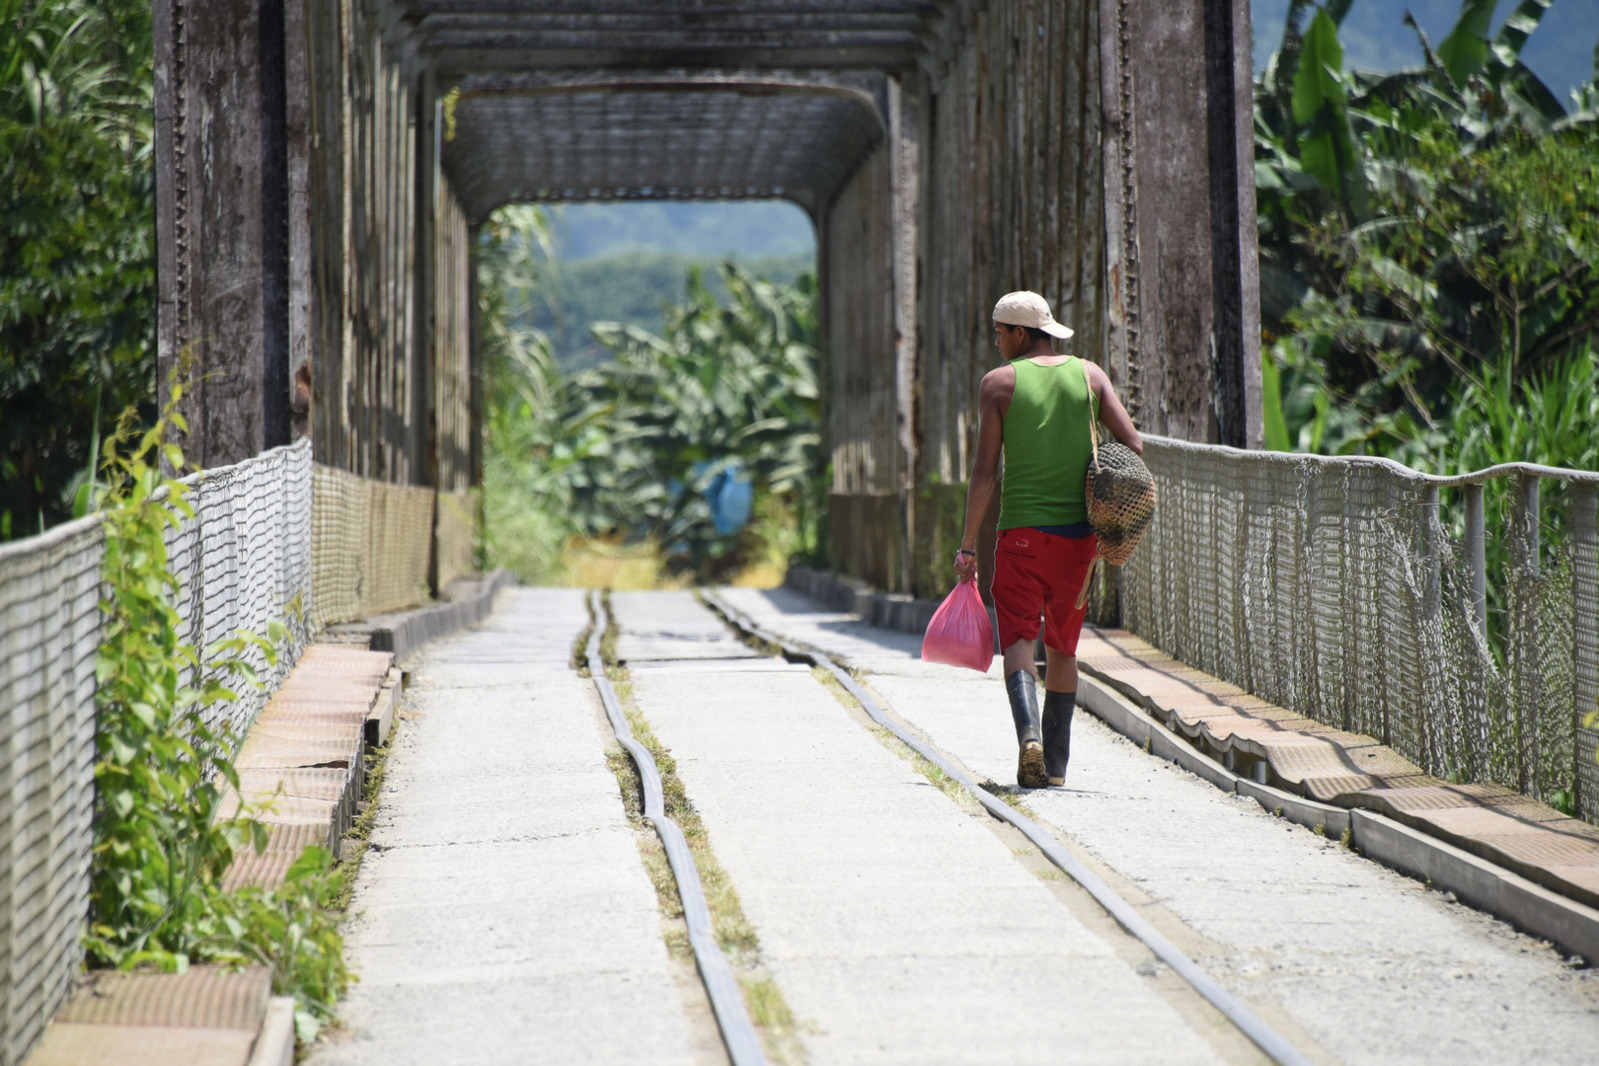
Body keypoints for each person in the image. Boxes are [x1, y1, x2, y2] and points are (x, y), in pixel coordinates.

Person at [953, 291, 1142, 788]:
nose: (996, 342)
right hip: (1079, 542)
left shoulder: (998, 385)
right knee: (1062, 649)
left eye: (1000, 332)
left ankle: (1029, 737)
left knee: (1018, 640)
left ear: (1020, 333)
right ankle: (1055, 767)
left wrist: (968, 544)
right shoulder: (1090, 376)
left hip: (1019, 538)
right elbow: (1135, 444)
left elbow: (985, 472)